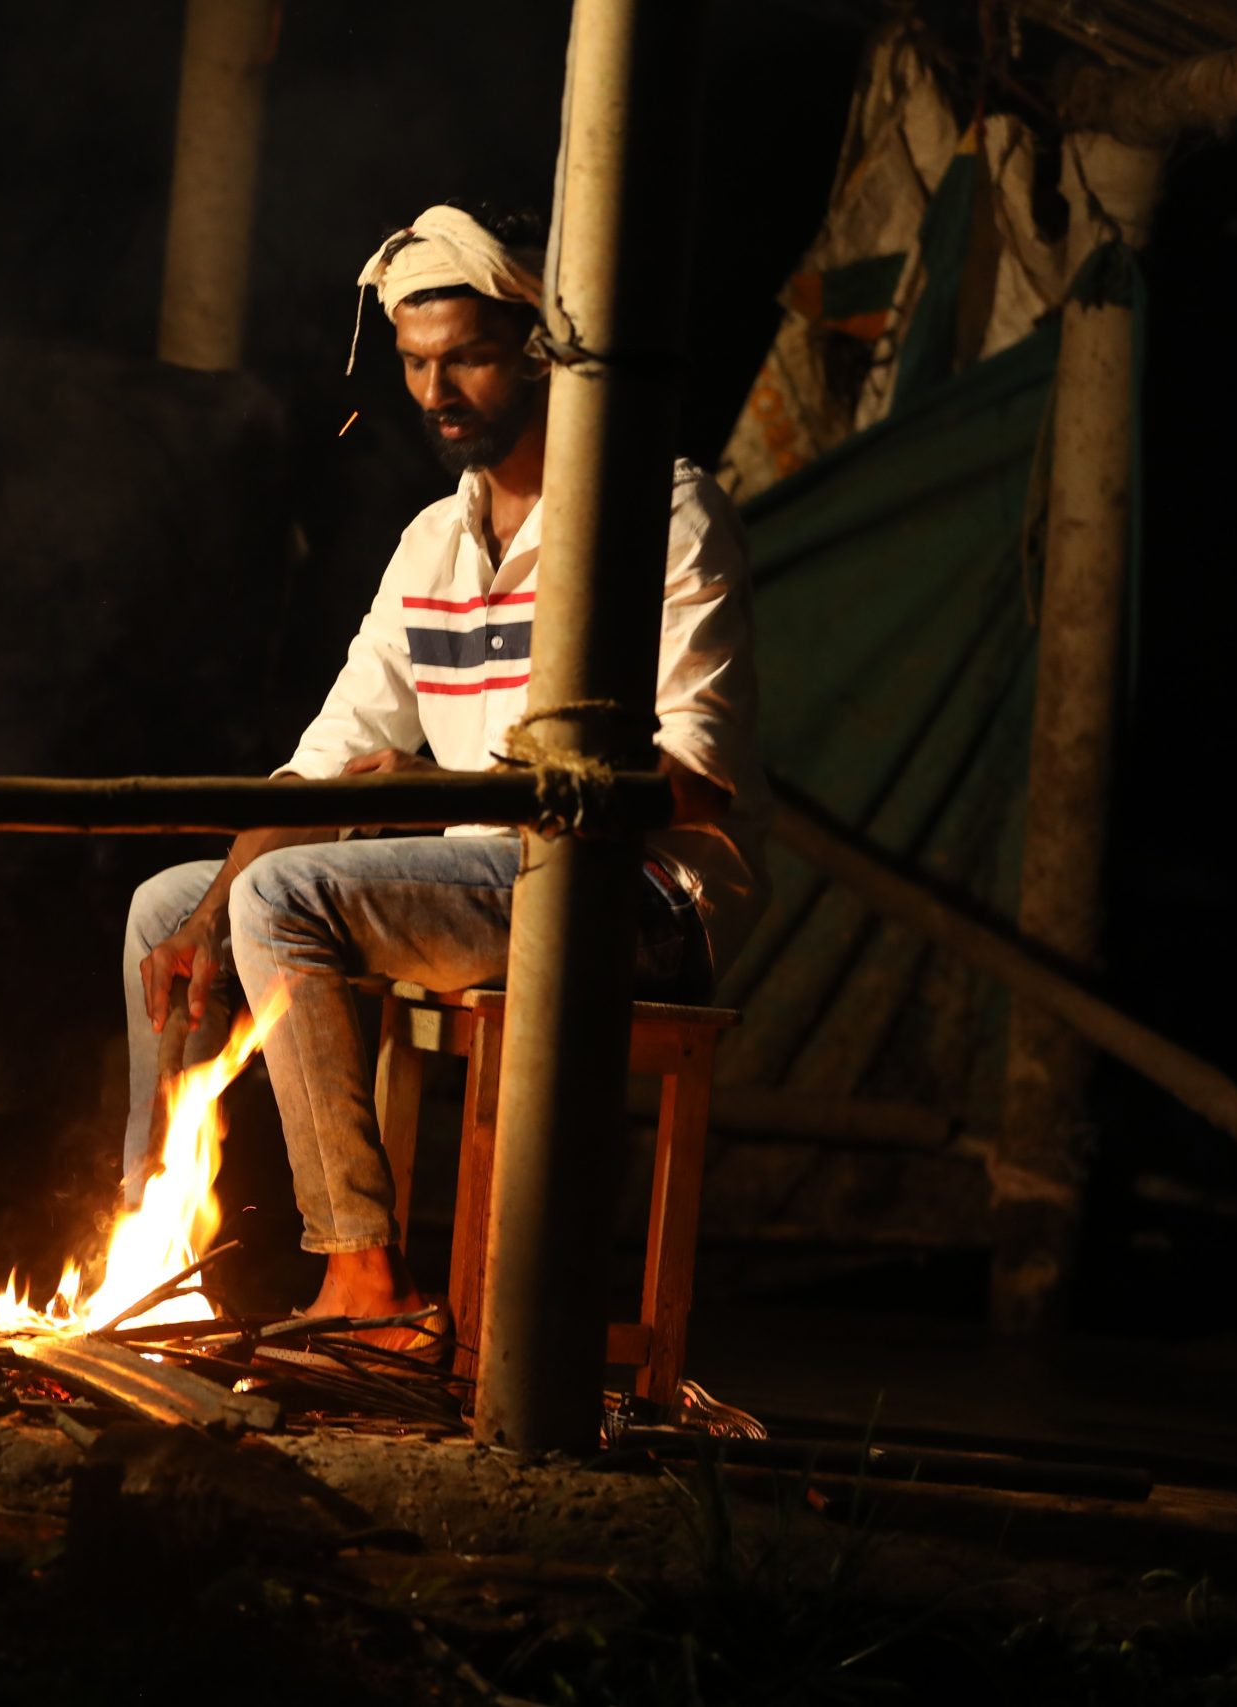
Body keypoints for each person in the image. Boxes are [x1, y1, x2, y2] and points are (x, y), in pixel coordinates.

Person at [120, 202, 770, 1352]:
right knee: (170, 909)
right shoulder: (431, 543)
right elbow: (315, 773)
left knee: (284, 895)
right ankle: (154, 1261)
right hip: (470, 876)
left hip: (636, 898)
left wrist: (443, 790)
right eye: (416, 364)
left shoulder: (655, 512)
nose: (433, 393)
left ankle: (365, 1280)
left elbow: (698, 781)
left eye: (465, 356)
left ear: (539, 349)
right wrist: (210, 919)